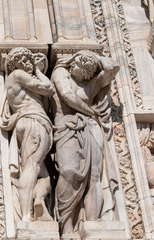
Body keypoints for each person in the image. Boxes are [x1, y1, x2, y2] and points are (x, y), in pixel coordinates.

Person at [50, 50, 119, 236]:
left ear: (88, 72)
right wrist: (90, 111)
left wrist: (95, 58)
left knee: (94, 176)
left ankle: (92, 223)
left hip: (90, 128)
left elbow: (113, 67)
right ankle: (66, 226)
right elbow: (66, 95)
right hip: (66, 127)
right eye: (73, 63)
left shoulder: (91, 85)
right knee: (68, 172)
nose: (73, 66)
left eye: (79, 66)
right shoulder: (60, 73)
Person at [0, 47, 54, 222]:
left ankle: (38, 200)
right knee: (32, 167)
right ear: (15, 63)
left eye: (29, 61)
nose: (28, 65)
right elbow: (48, 87)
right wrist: (39, 69)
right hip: (34, 121)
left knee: (43, 172)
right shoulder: (18, 74)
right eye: (24, 62)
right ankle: (25, 217)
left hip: (27, 122)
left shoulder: (12, 81)